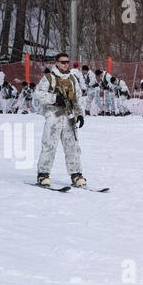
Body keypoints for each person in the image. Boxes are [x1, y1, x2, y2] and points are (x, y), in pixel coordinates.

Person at [36, 53, 86, 187]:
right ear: (56, 63)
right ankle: (43, 174)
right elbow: (39, 94)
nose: (65, 64)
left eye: (67, 62)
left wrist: (80, 114)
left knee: (73, 146)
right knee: (49, 144)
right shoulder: (49, 78)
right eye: (62, 62)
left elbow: (79, 97)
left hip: (69, 115)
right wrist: (54, 99)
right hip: (54, 115)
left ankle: (76, 174)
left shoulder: (73, 79)